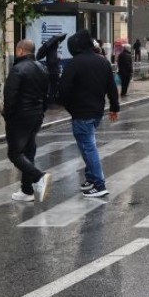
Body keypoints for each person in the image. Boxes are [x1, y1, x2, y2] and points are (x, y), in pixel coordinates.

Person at [58, 29, 121, 197]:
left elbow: (63, 89)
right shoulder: (102, 62)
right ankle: (91, 178)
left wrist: (70, 107)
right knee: (87, 145)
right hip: (97, 112)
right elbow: (112, 88)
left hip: (81, 112)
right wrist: (114, 108)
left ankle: (99, 184)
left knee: (88, 147)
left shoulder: (74, 64)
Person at [4, 40, 52, 203]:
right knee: (28, 151)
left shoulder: (17, 69)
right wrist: (41, 111)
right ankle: (26, 189)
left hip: (20, 116)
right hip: (37, 114)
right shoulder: (41, 68)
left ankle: (39, 177)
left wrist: (8, 116)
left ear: (21, 51)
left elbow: (10, 97)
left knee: (15, 153)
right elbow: (46, 94)